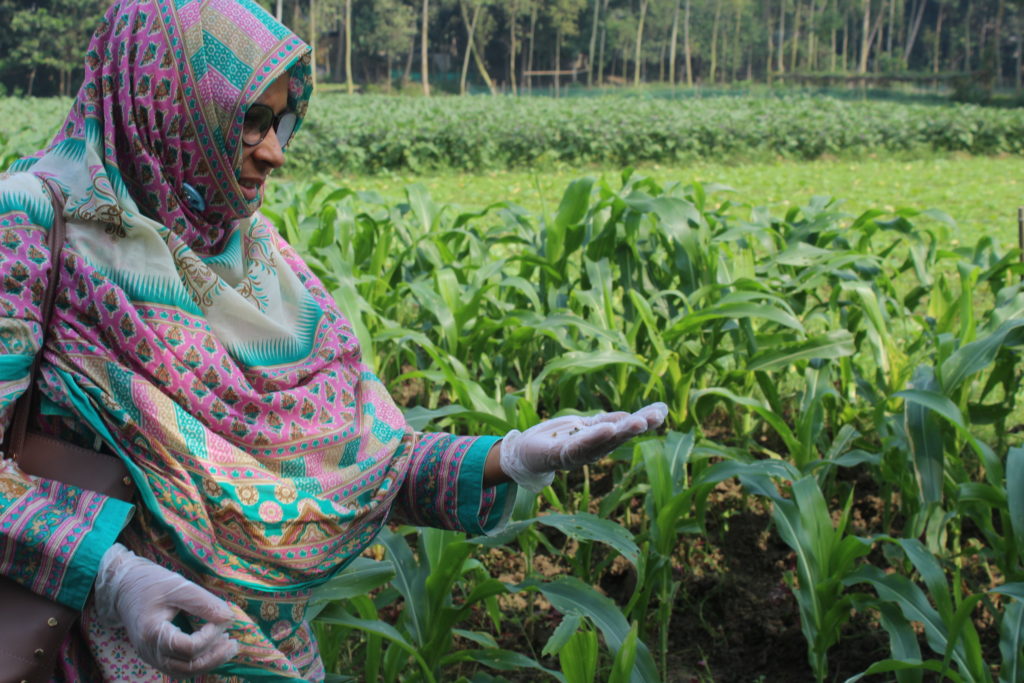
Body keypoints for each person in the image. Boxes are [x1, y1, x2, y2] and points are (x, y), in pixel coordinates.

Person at [0, 0, 667, 680]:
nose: (276, 151)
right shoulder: (31, 220)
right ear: (165, 107)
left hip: (268, 657)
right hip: (95, 652)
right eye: (249, 122)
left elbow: (351, 467)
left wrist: (509, 456)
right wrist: (112, 574)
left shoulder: (256, 254)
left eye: (282, 120)